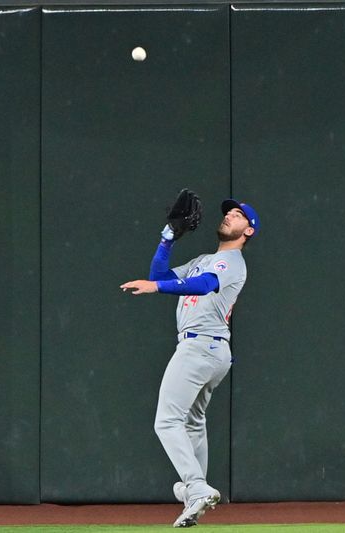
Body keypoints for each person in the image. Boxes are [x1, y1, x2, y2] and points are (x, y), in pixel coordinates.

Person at [121, 197, 259, 528]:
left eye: (237, 215)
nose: (229, 216)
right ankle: (195, 494)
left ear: (248, 230)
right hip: (210, 351)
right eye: (228, 212)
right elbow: (161, 273)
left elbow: (204, 285)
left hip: (200, 347)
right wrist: (168, 237)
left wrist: (156, 287)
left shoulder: (231, 262)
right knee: (193, 422)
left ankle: (195, 488)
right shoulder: (204, 259)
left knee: (166, 422)